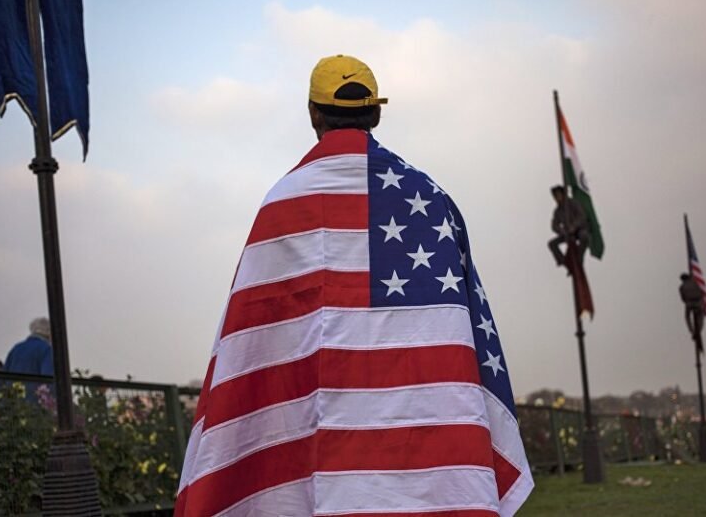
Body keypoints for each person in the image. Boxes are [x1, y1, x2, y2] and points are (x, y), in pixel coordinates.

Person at [174, 55, 533, 516]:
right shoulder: (432, 200)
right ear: (376, 113)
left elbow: (253, 343)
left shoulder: (282, 203)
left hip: (310, 467)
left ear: (314, 114)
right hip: (428, 464)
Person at [4, 317, 54, 399]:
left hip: (13, 401)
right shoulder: (46, 349)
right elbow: (49, 379)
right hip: (34, 402)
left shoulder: (16, 349)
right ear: (49, 334)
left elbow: (2, 378)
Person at [547, 185, 591, 266]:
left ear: (563, 194)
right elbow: (554, 225)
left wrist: (574, 226)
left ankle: (579, 256)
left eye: (558, 195)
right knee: (552, 244)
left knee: (584, 236)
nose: (556, 198)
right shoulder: (557, 211)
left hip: (579, 230)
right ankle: (563, 261)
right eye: (555, 196)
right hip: (567, 233)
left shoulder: (573, 203)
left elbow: (582, 216)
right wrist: (562, 231)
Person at [679, 273, 705, 339]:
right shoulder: (696, 284)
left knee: (687, 316)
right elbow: (701, 293)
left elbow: (683, 298)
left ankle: (692, 331)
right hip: (698, 302)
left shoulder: (681, 287)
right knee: (701, 315)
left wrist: (687, 301)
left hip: (689, 303)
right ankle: (699, 329)